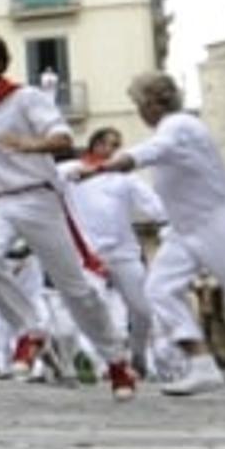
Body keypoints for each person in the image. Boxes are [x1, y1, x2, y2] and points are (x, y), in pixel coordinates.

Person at [80, 73, 225, 396]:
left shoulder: (181, 127)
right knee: (159, 289)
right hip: (184, 229)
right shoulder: (171, 128)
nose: (138, 112)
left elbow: (149, 152)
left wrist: (102, 167)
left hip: (217, 223)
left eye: (139, 104)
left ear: (155, 102)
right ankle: (201, 364)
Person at [0, 33, 136, 399]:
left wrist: (30, 144)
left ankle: (117, 362)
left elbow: (62, 139)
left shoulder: (25, 98)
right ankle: (30, 330)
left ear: (0, 64)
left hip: (37, 197)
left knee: (75, 288)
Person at [59, 127, 165, 374]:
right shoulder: (71, 170)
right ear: (94, 145)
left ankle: (138, 354)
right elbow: (48, 180)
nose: (111, 150)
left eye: (116, 146)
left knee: (143, 310)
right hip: (87, 254)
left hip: (124, 253)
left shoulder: (126, 178)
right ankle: (98, 362)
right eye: (107, 144)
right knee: (91, 307)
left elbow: (154, 207)